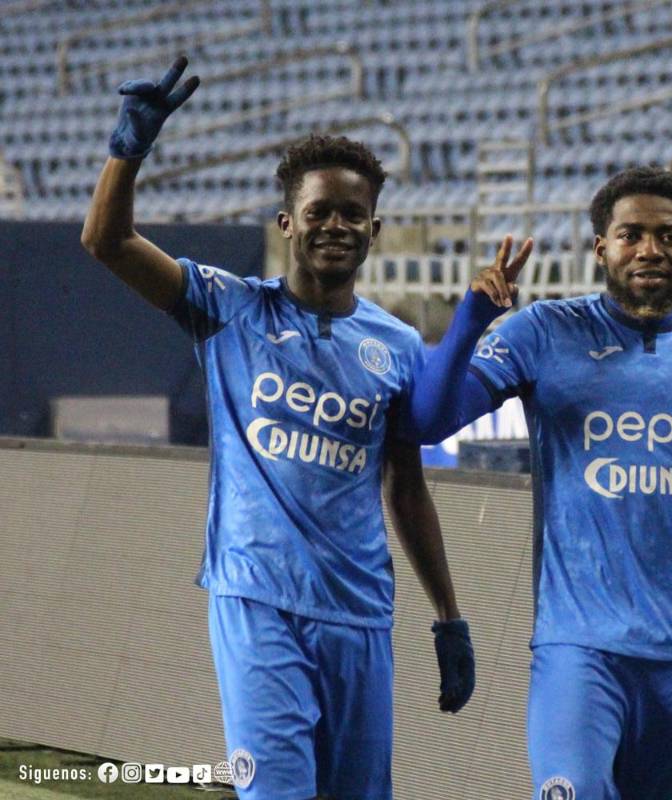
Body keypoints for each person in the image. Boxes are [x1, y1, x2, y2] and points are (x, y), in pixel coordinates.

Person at [80, 57, 475, 800]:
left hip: (359, 613)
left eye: (351, 213)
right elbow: (107, 243)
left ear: (374, 229)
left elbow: (408, 489)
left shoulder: (395, 347)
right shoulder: (228, 307)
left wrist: (449, 616)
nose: (335, 226)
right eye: (319, 210)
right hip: (257, 601)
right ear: (287, 221)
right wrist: (127, 151)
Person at [410, 166, 672, 800]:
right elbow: (428, 420)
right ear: (601, 248)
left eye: (668, 236)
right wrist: (473, 318)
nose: (650, 250)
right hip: (580, 648)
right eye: (631, 235)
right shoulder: (544, 332)